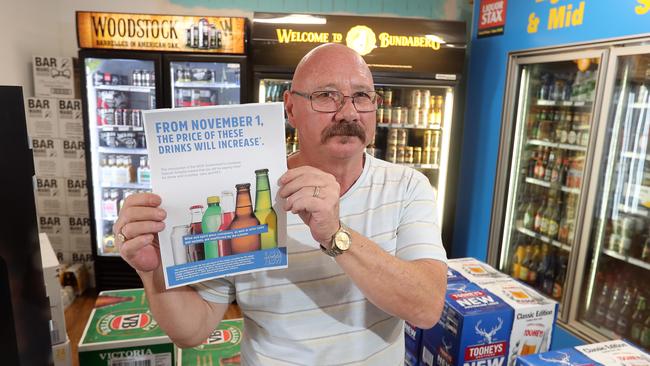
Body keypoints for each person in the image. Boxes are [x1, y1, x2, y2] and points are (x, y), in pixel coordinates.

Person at [114, 43, 447, 365]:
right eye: (326, 96)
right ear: (290, 108)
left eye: (361, 96)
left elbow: (427, 307)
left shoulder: (407, 186)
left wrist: (335, 235)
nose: (348, 112)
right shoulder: (248, 198)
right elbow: (193, 330)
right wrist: (153, 270)